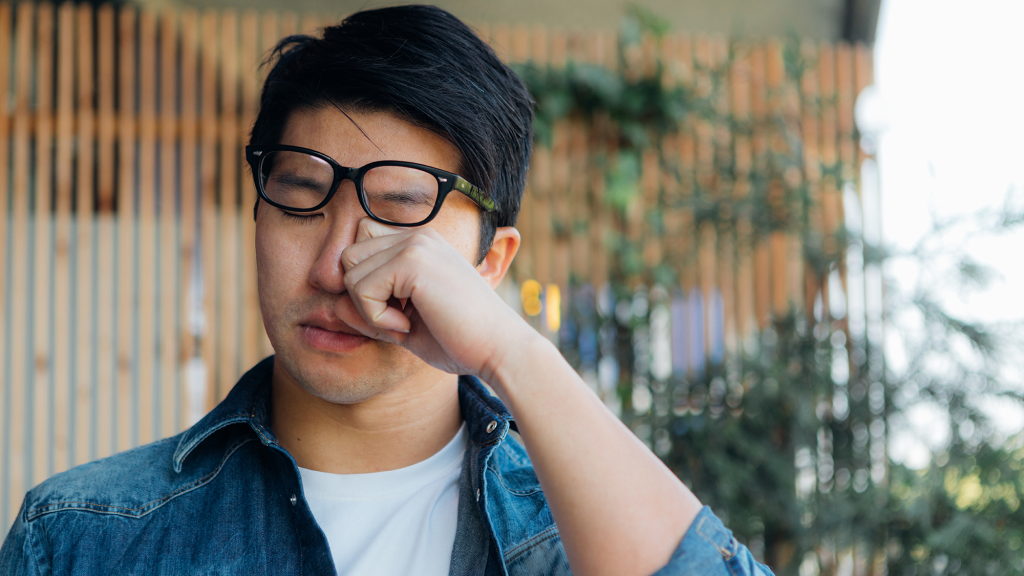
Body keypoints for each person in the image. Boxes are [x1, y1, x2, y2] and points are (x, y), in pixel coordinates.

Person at [1, 5, 774, 575]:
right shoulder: (82, 538)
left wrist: (510, 350)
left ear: (491, 262)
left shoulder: (584, 528)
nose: (338, 261)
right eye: (300, 191)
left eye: (400, 208)